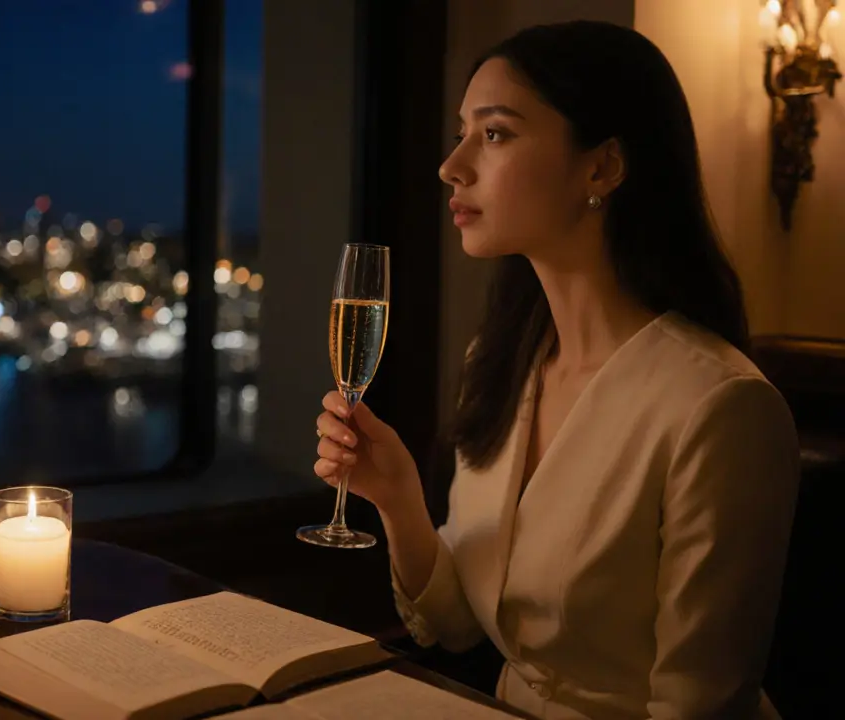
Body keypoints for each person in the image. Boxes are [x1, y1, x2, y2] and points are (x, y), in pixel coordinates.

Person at [313, 21, 800, 720]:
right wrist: (397, 498)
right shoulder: (505, 360)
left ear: (602, 167)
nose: (453, 165)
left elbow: (700, 705)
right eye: (462, 132)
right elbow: (457, 626)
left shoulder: (721, 408)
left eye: (495, 134)